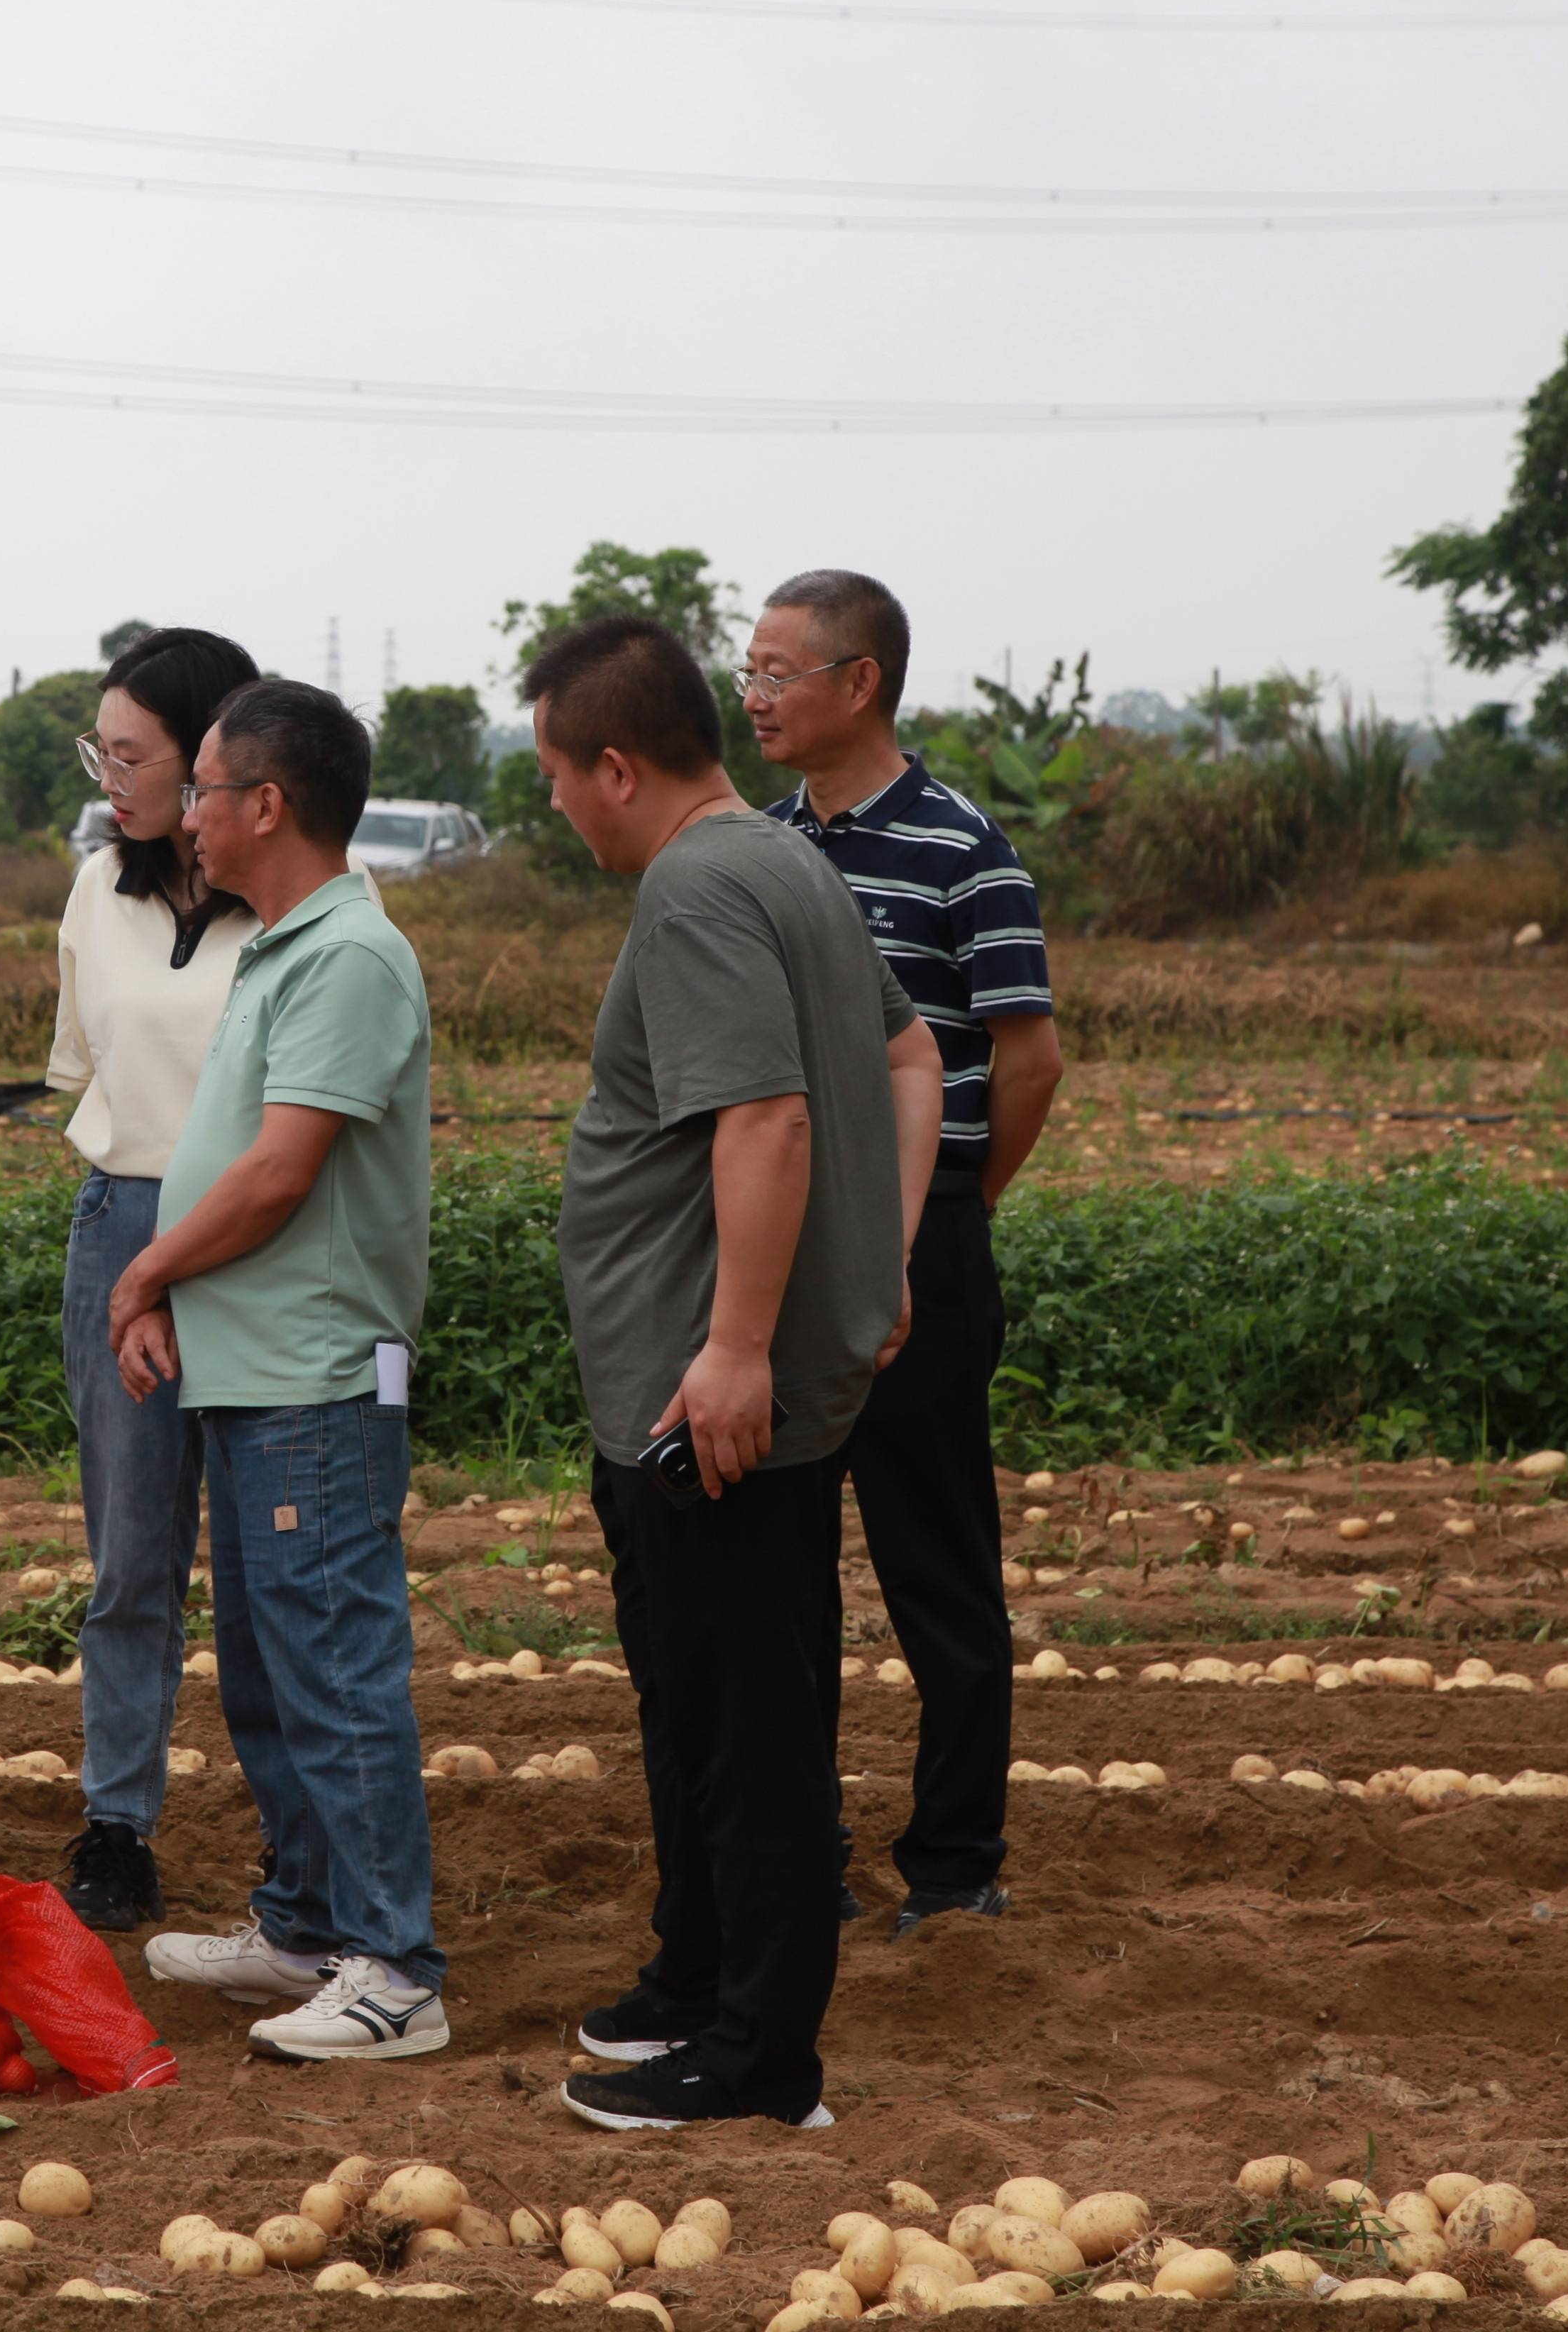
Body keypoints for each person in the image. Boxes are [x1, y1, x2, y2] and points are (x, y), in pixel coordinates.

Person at [519, 615, 942, 2133]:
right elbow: (911, 1059)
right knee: (705, 1702)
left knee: (750, 1724)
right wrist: (880, 1257)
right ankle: (698, 1977)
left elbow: (766, 1117)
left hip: (708, 1400)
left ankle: (761, 2057)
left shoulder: (700, 886)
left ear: (615, 767)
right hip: (706, 1381)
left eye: (555, 774)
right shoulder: (785, 859)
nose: (554, 803)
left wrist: (740, 1344)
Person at [111, 680, 449, 2065]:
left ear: (266, 803)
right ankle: (308, 1925)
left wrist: (145, 1271)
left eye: (201, 787)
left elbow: (276, 1173)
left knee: (335, 1671)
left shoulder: (349, 955)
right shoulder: (279, 944)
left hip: (317, 1374)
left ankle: (395, 1970)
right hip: (255, 1372)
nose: (185, 812)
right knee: (269, 1669)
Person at [741, 571, 1062, 1934]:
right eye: (748, 670)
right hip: (776, 1246)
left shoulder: (964, 849)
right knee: (779, 1571)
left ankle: (953, 1861)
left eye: (777, 671)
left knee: (937, 1565)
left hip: (924, 1242)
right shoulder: (754, 848)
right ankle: (800, 1852)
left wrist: (940, 1211)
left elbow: (1028, 1058)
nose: (754, 696)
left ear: (858, 680)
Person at [44, 625, 262, 1931]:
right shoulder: (95, 889)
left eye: (132, 755)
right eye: (102, 753)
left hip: (260, 1230)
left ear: (212, 760)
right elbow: (87, 1070)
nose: (110, 779)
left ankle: (299, 1835)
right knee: (130, 1554)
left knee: (268, 1551)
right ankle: (117, 1822)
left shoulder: (300, 897)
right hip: (122, 1224)